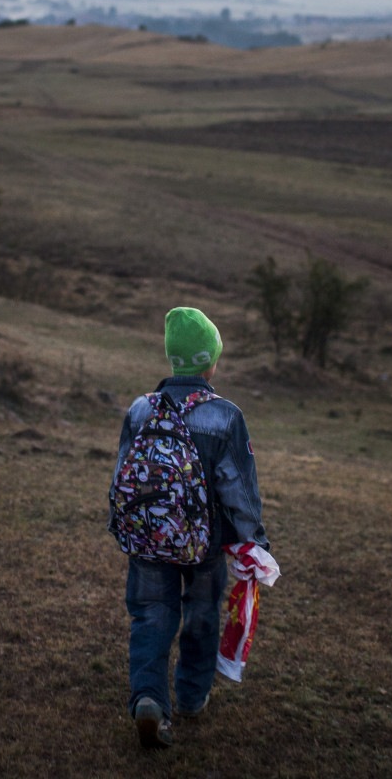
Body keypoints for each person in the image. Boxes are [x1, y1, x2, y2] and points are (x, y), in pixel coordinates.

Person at [116, 306, 269, 749]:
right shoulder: (224, 416)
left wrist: (125, 527)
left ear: (172, 359)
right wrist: (253, 541)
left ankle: (148, 698)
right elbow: (239, 488)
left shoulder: (141, 409)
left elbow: (122, 476)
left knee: (151, 615)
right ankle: (191, 696)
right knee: (201, 614)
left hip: (147, 539)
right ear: (210, 360)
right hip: (204, 545)